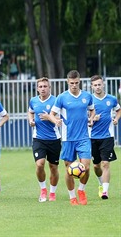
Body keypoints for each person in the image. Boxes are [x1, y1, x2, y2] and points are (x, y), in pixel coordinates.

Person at [47, 70, 95, 206]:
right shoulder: (62, 97)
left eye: (76, 83)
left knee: (85, 167)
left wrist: (91, 118)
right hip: (68, 139)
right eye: (72, 83)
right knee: (69, 169)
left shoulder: (87, 96)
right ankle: (72, 197)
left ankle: (81, 190)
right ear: (68, 82)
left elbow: (92, 110)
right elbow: (51, 114)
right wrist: (55, 120)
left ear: (79, 81)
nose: (74, 85)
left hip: (83, 138)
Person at [27, 77, 61, 202]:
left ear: (49, 88)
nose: (42, 89)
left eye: (45, 86)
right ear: (37, 88)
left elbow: (58, 117)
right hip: (38, 138)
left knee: (53, 167)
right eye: (40, 86)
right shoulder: (33, 101)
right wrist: (31, 120)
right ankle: (43, 190)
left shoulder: (56, 101)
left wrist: (50, 118)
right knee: (40, 164)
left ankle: (52, 193)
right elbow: (30, 112)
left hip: (54, 139)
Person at [89, 75, 120, 199]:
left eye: (99, 84)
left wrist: (116, 119)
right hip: (92, 137)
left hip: (108, 136)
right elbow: (82, 117)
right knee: (96, 165)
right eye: (95, 85)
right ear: (92, 86)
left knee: (106, 163)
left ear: (103, 84)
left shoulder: (111, 99)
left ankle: (105, 192)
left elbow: (119, 110)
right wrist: (91, 119)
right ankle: (100, 184)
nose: (97, 87)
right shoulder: (89, 100)